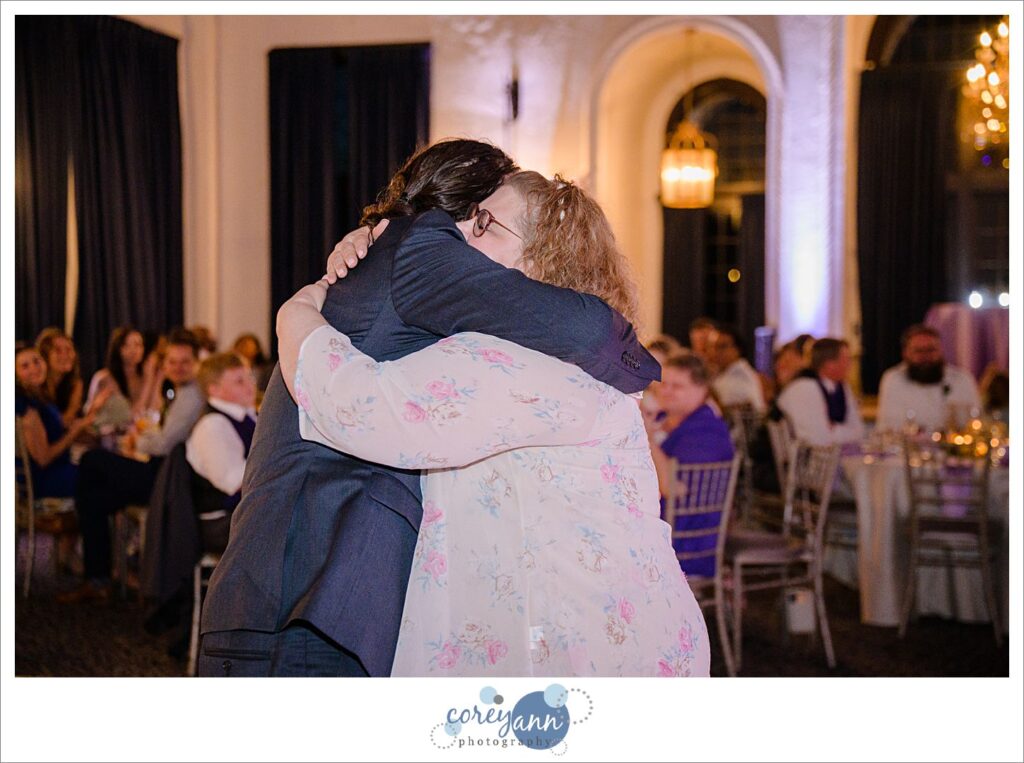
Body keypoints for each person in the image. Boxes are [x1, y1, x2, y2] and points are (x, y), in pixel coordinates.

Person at [199, 139, 661, 677]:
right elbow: (360, 406)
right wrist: (297, 316)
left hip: (316, 596)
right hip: (308, 593)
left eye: (486, 224)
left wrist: (304, 302)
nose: (467, 237)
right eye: (473, 219)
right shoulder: (421, 249)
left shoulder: (410, 263)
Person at [59, 329, 205, 603]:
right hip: (164, 472)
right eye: (172, 362)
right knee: (94, 499)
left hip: (168, 480)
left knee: (91, 462)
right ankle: (101, 578)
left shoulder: (191, 395)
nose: (177, 367)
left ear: (197, 362)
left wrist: (137, 441)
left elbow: (162, 444)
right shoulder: (181, 391)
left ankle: (100, 578)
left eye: (185, 362)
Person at [644, 352, 734, 578]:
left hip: (687, 539)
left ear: (702, 388)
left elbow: (674, 489)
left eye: (677, 386)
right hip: (665, 524)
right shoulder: (666, 419)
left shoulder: (705, 431)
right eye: (663, 384)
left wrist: (647, 438)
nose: (666, 391)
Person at [186, 352, 258, 553]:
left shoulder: (249, 417)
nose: (250, 385)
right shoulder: (213, 426)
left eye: (249, 377)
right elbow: (233, 481)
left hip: (245, 513)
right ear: (214, 390)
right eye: (239, 381)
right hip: (221, 522)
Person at [15, 344, 101, 499]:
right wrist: (74, 432)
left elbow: (61, 428)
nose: (34, 368)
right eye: (25, 366)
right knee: (102, 476)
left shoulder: (40, 397)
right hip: (45, 481)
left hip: (59, 470)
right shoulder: (27, 408)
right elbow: (43, 458)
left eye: (36, 361)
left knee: (98, 461)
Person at [876, 324, 982, 432]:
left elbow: (975, 421)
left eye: (931, 350)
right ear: (905, 353)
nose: (926, 356)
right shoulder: (893, 380)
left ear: (941, 351)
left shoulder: (962, 380)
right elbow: (890, 427)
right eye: (919, 351)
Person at [776, 337, 864, 446]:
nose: (850, 365)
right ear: (829, 364)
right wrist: (839, 431)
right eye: (846, 360)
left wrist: (833, 429)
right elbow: (818, 439)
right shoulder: (804, 387)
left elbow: (859, 432)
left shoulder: (843, 388)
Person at [84, 324, 162, 427]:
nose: (133, 350)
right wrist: (148, 380)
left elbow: (154, 411)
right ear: (118, 348)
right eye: (126, 345)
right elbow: (132, 416)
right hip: (107, 435)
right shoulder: (104, 378)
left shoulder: (143, 376)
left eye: (138, 344)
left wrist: (158, 380)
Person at [709, 325, 766, 413]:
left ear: (737, 350)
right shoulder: (720, 374)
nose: (716, 352)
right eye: (713, 347)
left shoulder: (741, 376)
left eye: (722, 347)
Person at [35, 327, 84, 426]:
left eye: (69, 349)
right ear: (44, 355)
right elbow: (61, 424)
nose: (65, 355)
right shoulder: (37, 386)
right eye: (58, 350)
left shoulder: (75, 383)